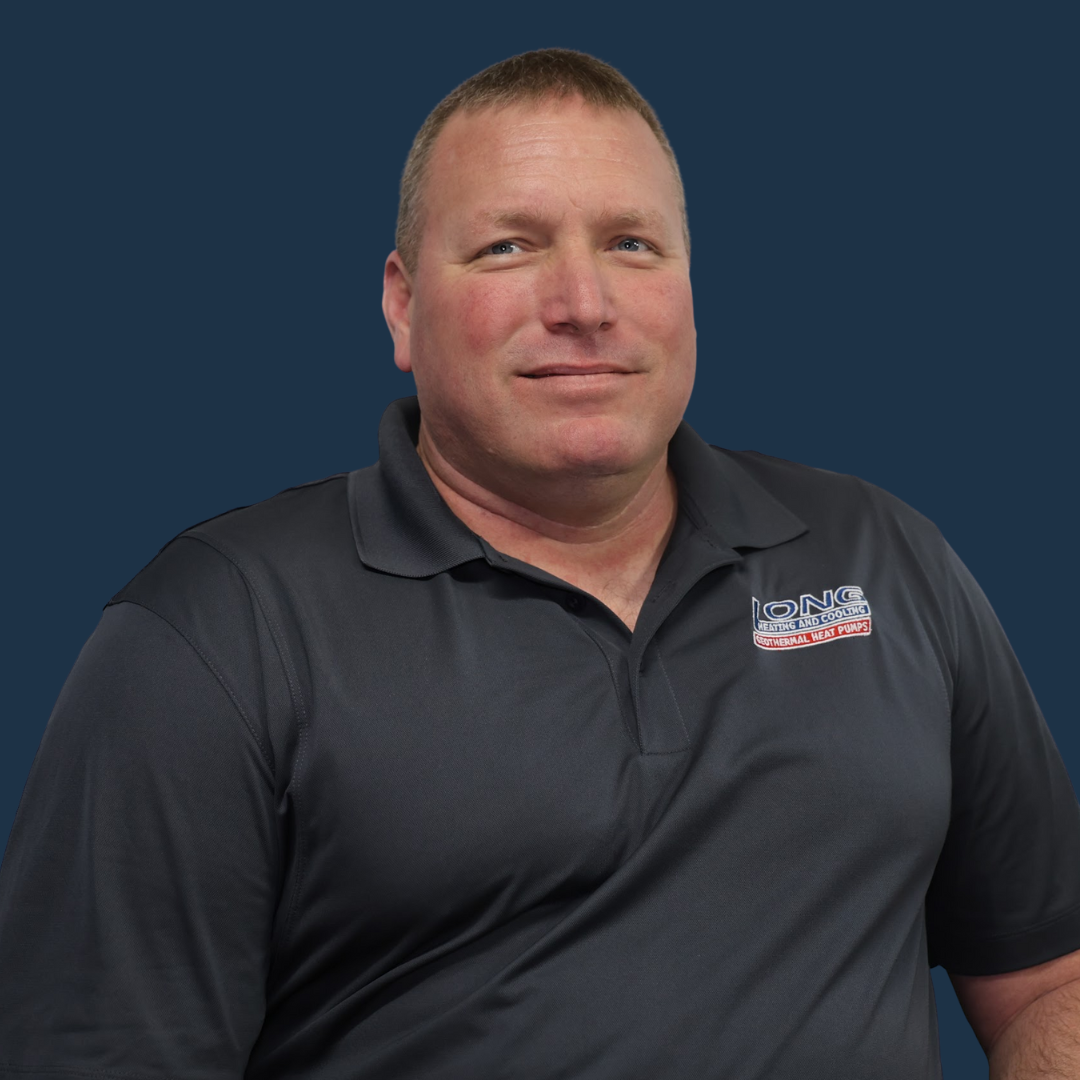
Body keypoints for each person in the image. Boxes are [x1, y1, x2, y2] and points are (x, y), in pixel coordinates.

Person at [1, 47, 1078, 1080]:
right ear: (402, 304)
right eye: (509, 247)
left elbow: (1047, 979)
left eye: (632, 245)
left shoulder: (886, 561)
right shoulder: (218, 633)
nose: (584, 303)